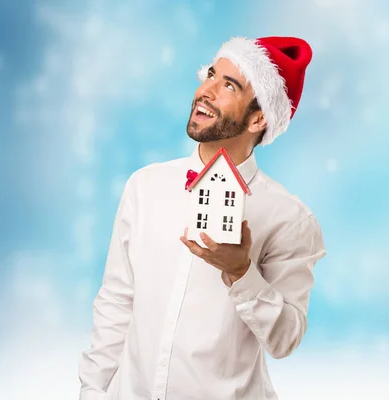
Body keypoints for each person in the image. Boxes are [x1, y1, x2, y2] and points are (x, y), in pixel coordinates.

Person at [78, 36, 327, 400]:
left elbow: (285, 338)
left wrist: (241, 273)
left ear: (259, 118)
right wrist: (92, 391)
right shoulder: (145, 186)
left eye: (229, 85)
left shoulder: (290, 219)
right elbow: (116, 301)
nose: (205, 90)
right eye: (211, 74)